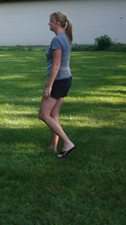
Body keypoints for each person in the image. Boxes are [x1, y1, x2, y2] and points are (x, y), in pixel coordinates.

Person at [38, 11, 75, 159]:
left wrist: (49, 85)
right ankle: (53, 146)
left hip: (59, 81)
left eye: (50, 21)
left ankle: (67, 143)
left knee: (43, 114)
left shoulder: (58, 40)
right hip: (66, 79)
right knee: (53, 114)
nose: (49, 23)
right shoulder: (65, 37)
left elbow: (57, 64)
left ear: (57, 23)